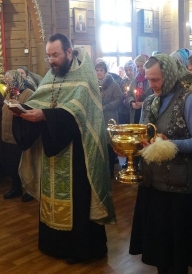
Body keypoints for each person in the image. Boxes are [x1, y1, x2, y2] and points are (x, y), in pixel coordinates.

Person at [12, 33, 116, 264]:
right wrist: (22, 110)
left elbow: (78, 114)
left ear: (69, 52)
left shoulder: (84, 77)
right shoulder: (51, 76)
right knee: (52, 196)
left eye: (56, 55)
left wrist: (45, 116)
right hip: (52, 150)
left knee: (77, 200)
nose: (52, 60)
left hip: (77, 154)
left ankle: (78, 249)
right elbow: (42, 101)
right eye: (48, 56)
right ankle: (52, 243)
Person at [129, 54, 192, 274]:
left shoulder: (189, 100)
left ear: (170, 75)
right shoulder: (150, 101)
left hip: (178, 190)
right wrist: (134, 147)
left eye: (156, 80)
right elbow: (144, 136)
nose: (151, 85)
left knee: (177, 255)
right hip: (153, 185)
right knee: (161, 251)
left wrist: (168, 144)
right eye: (148, 79)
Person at [1, 70, 34, 201]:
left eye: (9, 80)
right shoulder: (8, 94)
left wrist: (19, 107)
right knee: (12, 164)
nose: (7, 83)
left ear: (17, 80)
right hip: (8, 135)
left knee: (25, 164)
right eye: (6, 81)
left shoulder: (28, 93)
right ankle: (16, 187)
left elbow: (30, 111)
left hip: (21, 135)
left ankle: (29, 190)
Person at [96, 61, 122, 177]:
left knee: (109, 143)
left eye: (101, 70)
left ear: (105, 71)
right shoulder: (93, 84)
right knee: (99, 143)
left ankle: (110, 170)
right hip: (97, 118)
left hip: (109, 117)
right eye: (97, 70)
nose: (99, 72)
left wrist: (106, 107)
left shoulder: (113, 84)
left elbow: (119, 99)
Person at [125, 54, 153, 124]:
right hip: (135, 111)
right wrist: (132, 102)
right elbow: (129, 94)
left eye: (142, 66)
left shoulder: (152, 79)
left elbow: (156, 97)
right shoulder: (135, 79)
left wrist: (143, 104)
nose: (140, 68)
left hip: (148, 111)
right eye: (138, 66)